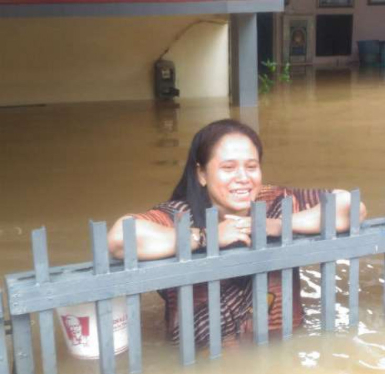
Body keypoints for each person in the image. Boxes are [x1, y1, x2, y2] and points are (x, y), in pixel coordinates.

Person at [107, 119, 367, 345]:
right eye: (228, 168)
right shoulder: (180, 215)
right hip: (202, 358)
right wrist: (206, 237)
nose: (243, 177)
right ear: (201, 174)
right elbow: (120, 238)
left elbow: (351, 207)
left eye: (251, 166)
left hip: (282, 348)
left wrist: (275, 225)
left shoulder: (276, 202)